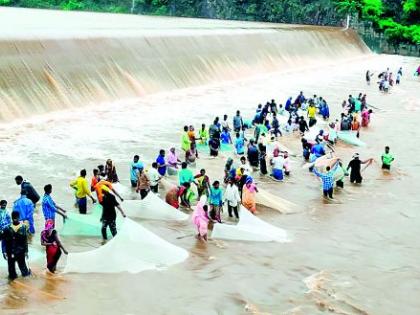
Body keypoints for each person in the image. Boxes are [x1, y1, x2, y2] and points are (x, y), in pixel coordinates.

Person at [3, 211, 31, 280]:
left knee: (25, 272)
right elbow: (3, 241)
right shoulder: (7, 228)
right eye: (13, 218)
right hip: (10, 252)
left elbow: (25, 240)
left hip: (20, 252)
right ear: (12, 218)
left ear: (19, 218)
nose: (15, 219)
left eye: (16, 218)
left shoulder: (23, 228)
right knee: (11, 273)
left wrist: (26, 251)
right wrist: (3, 251)